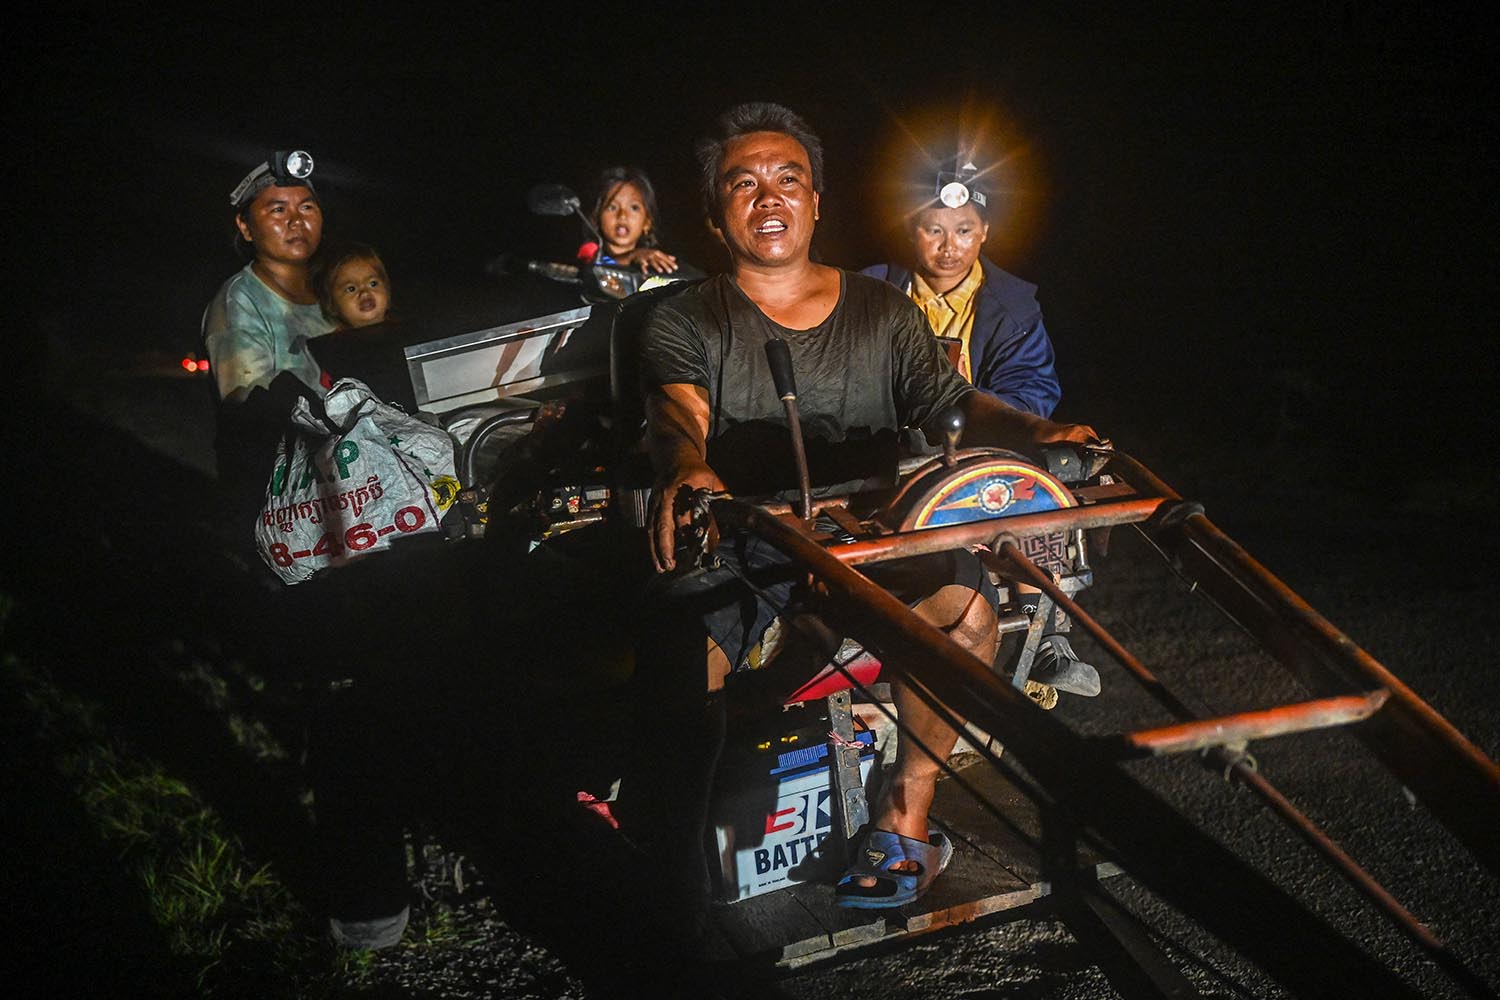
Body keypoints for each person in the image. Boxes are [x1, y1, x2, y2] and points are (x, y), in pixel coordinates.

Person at [636, 103, 1099, 912]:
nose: (769, 197)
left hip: (872, 533)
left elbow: (955, 401)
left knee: (967, 610)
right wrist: (688, 469)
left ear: (816, 202)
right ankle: (677, 866)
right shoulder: (685, 315)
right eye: (744, 184)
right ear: (714, 214)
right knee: (681, 657)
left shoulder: (884, 311)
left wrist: (1038, 431)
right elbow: (678, 418)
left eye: (789, 179)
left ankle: (906, 814)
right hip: (746, 532)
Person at [202, 152, 413, 952]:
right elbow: (252, 409)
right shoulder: (241, 303)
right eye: (276, 208)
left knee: (403, 677)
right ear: (244, 225)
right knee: (344, 702)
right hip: (305, 533)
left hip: (372, 515)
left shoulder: (335, 290)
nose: (297, 219)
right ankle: (367, 905)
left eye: (307, 205)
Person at [863, 158, 1061, 418]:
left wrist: (968, 399)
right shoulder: (871, 290)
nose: (949, 247)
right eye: (934, 230)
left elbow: (1032, 395)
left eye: (964, 231)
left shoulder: (1014, 308)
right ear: (911, 229)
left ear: (984, 231)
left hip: (969, 438)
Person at [579, 166, 679, 275]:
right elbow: (593, 271)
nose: (622, 215)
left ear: (647, 222)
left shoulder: (650, 262)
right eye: (612, 207)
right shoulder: (589, 251)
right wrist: (630, 257)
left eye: (634, 208)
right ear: (596, 218)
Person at [316, 242, 392, 330]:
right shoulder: (335, 339)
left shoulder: (402, 330)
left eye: (373, 284)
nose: (365, 293)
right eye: (351, 289)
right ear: (331, 305)